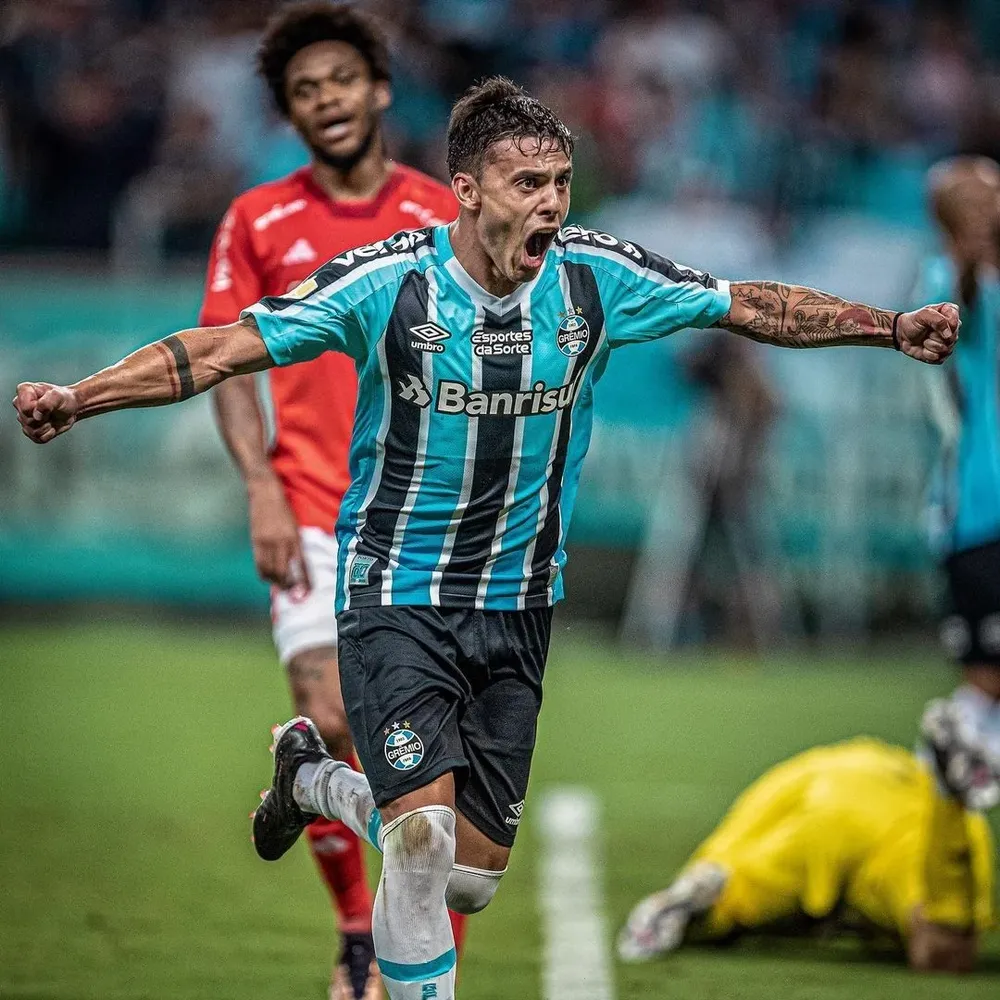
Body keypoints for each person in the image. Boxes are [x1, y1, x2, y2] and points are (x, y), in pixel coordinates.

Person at [13, 76, 960, 1000]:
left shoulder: (597, 279)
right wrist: (80, 395)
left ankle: (311, 777)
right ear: (466, 190)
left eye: (560, 183)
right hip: (397, 594)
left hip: (518, 609)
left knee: (469, 875)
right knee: (418, 848)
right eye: (527, 184)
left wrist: (890, 327)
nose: (550, 204)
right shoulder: (389, 284)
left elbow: (746, 303)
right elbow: (223, 348)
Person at [199, 5, 460, 997]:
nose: (327, 101)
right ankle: (361, 930)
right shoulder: (257, 218)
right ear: (289, 113)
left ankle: (400, 936)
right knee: (332, 711)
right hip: (312, 507)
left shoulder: (443, 213)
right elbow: (224, 359)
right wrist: (262, 485)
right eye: (305, 91)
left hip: (427, 520)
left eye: (341, 81)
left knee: (434, 769)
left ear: (380, 89)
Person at [617, 699, 998, 973]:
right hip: (906, 805)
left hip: (845, 770)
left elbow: (755, 813)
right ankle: (949, 800)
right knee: (945, 939)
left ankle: (705, 889)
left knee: (740, 860)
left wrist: (713, 859)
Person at [922, 157, 1000, 774]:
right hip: (979, 504)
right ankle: (942, 778)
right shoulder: (945, 282)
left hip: (976, 508)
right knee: (987, 678)